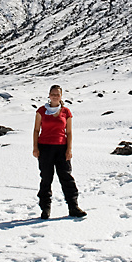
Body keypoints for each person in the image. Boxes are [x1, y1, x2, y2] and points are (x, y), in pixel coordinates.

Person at [32, 84, 87, 219]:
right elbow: (36, 130)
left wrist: (69, 149)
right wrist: (35, 147)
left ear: (61, 96)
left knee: (66, 178)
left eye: (57, 94)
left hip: (61, 148)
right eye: (53, 94)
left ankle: (73, 207)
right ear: (49, 95)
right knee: (46, 178)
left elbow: (68, 132)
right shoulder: (41, 111)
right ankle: (45, 209)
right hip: (45, 148)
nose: (55, 96)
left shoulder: (66, 112)